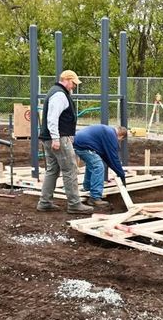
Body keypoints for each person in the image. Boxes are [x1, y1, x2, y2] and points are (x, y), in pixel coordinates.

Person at [37, 70, 93, 215]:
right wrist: (56, 138)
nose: (73, 86)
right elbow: (52, 118)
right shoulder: (60, 95)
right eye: (73, 83)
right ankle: (74, 204)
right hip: (57, 139)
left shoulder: (55, 92)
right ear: (67, 80)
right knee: (70, 169)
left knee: (52, 170)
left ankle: (45, 202)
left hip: (51, 138)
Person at [74, 125, 128, 207]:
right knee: (98, 167)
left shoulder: (107, 131)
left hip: (78, 143)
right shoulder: (111, 135)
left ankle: (87, 187)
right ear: (121, 136)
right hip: (83, 146)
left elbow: (106, 156)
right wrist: (121, 175)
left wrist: (117, 170)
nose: (119, 141)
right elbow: (113, 158)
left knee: (92, 164)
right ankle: (95, 198)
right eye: (120, 140)